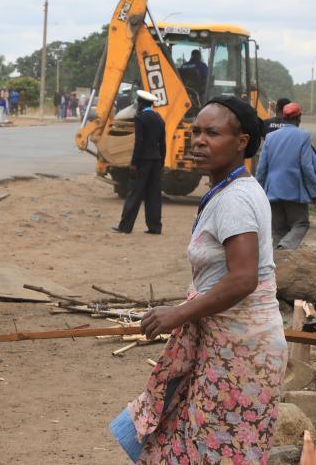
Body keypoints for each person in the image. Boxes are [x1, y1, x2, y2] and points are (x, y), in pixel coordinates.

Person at [111, 95, 286, 463]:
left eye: (213, 133)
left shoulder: (236, 200)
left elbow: (242, 279)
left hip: (240, 351)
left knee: (220, 448)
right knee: (194, 438)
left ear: (241, 143)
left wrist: (179, 313)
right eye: (195, 132)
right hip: (225, 344)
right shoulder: (228, 189)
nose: (199, 141)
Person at [256, 102, 316, 249]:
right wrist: (315, 192)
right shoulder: (303, 136)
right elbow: (307, 167)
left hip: (272, 190)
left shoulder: (270, 137)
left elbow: (261, 168)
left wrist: (258, 192)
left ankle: (278, 263)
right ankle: (285, 247)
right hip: (294, 190)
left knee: (278, 229)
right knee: (301, 223)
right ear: (299, 118)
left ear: (283, 117)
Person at [112, 90, 166, 234]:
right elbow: (163, 144)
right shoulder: (159, 118)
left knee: (135, 193)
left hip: (143, 161)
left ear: (141, 104)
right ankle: (155, 227)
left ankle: (125, 226)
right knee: (154, 194)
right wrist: (162, 162)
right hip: (156, 161)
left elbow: (139, 143)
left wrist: (134, 163)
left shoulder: (140, 118)